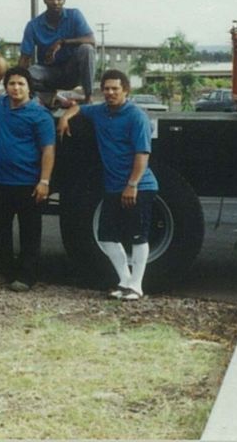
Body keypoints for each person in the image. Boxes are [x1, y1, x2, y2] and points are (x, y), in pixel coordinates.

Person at [57, 68, 158, 300]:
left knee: (138, 236)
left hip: (139, 186)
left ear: (126, 90)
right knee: (106, 236)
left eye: (115, 89)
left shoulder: (136, 116)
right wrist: (64, 117)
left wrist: (132, 184)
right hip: (113, 186)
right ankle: (125, 281)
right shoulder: (100, 111)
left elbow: (142, 154)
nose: (110, 93)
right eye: (106, 89)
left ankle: (137, 286)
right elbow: (78, 107)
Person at [0, 66, 55, 292]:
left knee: (29, 233)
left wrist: (44, 181)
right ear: (6, 86)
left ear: (29, 87)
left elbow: (48, 150)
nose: (16, 88)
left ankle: (27, 276)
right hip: (1, 181)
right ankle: (1, 273)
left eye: (21, 84)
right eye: (12, 83)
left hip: (29, 184)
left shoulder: (40, 115)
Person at [18, 0, 97, 101]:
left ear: (64, 0)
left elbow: (91, 40)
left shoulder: (74, 15)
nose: (55, 2)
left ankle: (88, 97)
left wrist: (62, 42)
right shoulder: (33, 25)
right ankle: (50, 95)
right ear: (44, 0)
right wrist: (17, 80)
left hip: (72, 71)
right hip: (48, 72)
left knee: (86, 49)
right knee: (29, 74)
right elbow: (25, 58)